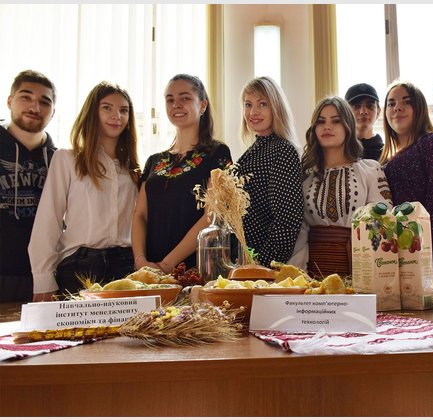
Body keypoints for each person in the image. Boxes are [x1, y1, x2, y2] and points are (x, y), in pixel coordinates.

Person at [29, 82, 140, 301]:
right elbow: (48, 221)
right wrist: (43, 280)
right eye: (107, 108)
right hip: (78, 266)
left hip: (126, 266)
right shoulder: (67, 159)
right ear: (92, 113)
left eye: (123, 110)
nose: (116, 116)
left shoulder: (133, 169)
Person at [132, 74, 232, 274]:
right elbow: (140, 215)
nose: (176, 104)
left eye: (185, 98)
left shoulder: (218, 153)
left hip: (195, 270)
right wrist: (140, 261)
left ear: (202, 105)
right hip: (149, 270)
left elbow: (211, 216)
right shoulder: (154, 160)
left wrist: (167, 265)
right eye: (170, 99)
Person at [289, 96, 392, 278]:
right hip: (313, 277)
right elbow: (300, 232)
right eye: (321, 121)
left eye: (336, 121)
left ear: (348, 126)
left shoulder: (370, 170)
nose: (327, 127)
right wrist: (299, 279)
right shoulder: (305, 177)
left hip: (361, 272)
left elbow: (383, 223)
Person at [381, 81, 433, 292]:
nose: (397, 108)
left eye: (406, 102)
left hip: (432, 260)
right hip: (398, 258)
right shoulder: (387, 160)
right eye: (391, 103)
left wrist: (423, 257)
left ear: (420, 108)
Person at [0, 70, 57, 303]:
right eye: (26, 97)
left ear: (53, 112)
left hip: (42, 277)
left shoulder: (59, 160)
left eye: (45, 102)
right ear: (10, 101)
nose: (35, 107)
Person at [236, 76, 303, 267]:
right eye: (248, 104)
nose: (253, 112)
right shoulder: (254, 150)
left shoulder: (282, 150)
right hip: (244, 261)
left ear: (276, 107)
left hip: (261, 265)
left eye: (262, 104)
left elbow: (288, 219)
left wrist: (261, 265)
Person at [344, 83, 384, 161]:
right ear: (345, 113)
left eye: (370, 106)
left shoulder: (386, 154)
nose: (363, 111)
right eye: (356, 106)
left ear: (378, 112)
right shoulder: (338, 151)